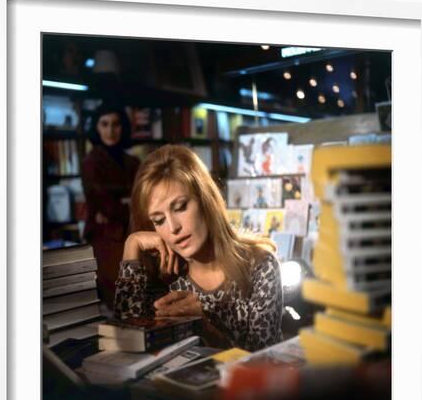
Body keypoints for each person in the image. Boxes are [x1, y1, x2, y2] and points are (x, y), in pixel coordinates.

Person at [114, 145, 283, 352]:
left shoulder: (260, 266)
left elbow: (262, 361)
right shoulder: (166, 275)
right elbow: (126, 344)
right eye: (159, 220)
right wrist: (131, 245)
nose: (173, 227)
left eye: (180, 207)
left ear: (205, 200)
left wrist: (203, 325)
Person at [81, 104, 140, 309]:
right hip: (105, 237)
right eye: (104, 124)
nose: (110, 130)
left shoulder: (133, 161)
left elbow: (141, 199)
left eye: (116, 124)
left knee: (138, 293)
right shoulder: (91, 162)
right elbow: (105, 204)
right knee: (118, 297)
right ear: (97, 128)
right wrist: (127, 204)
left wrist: (124, 204)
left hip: (129, 232)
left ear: (122, 127)